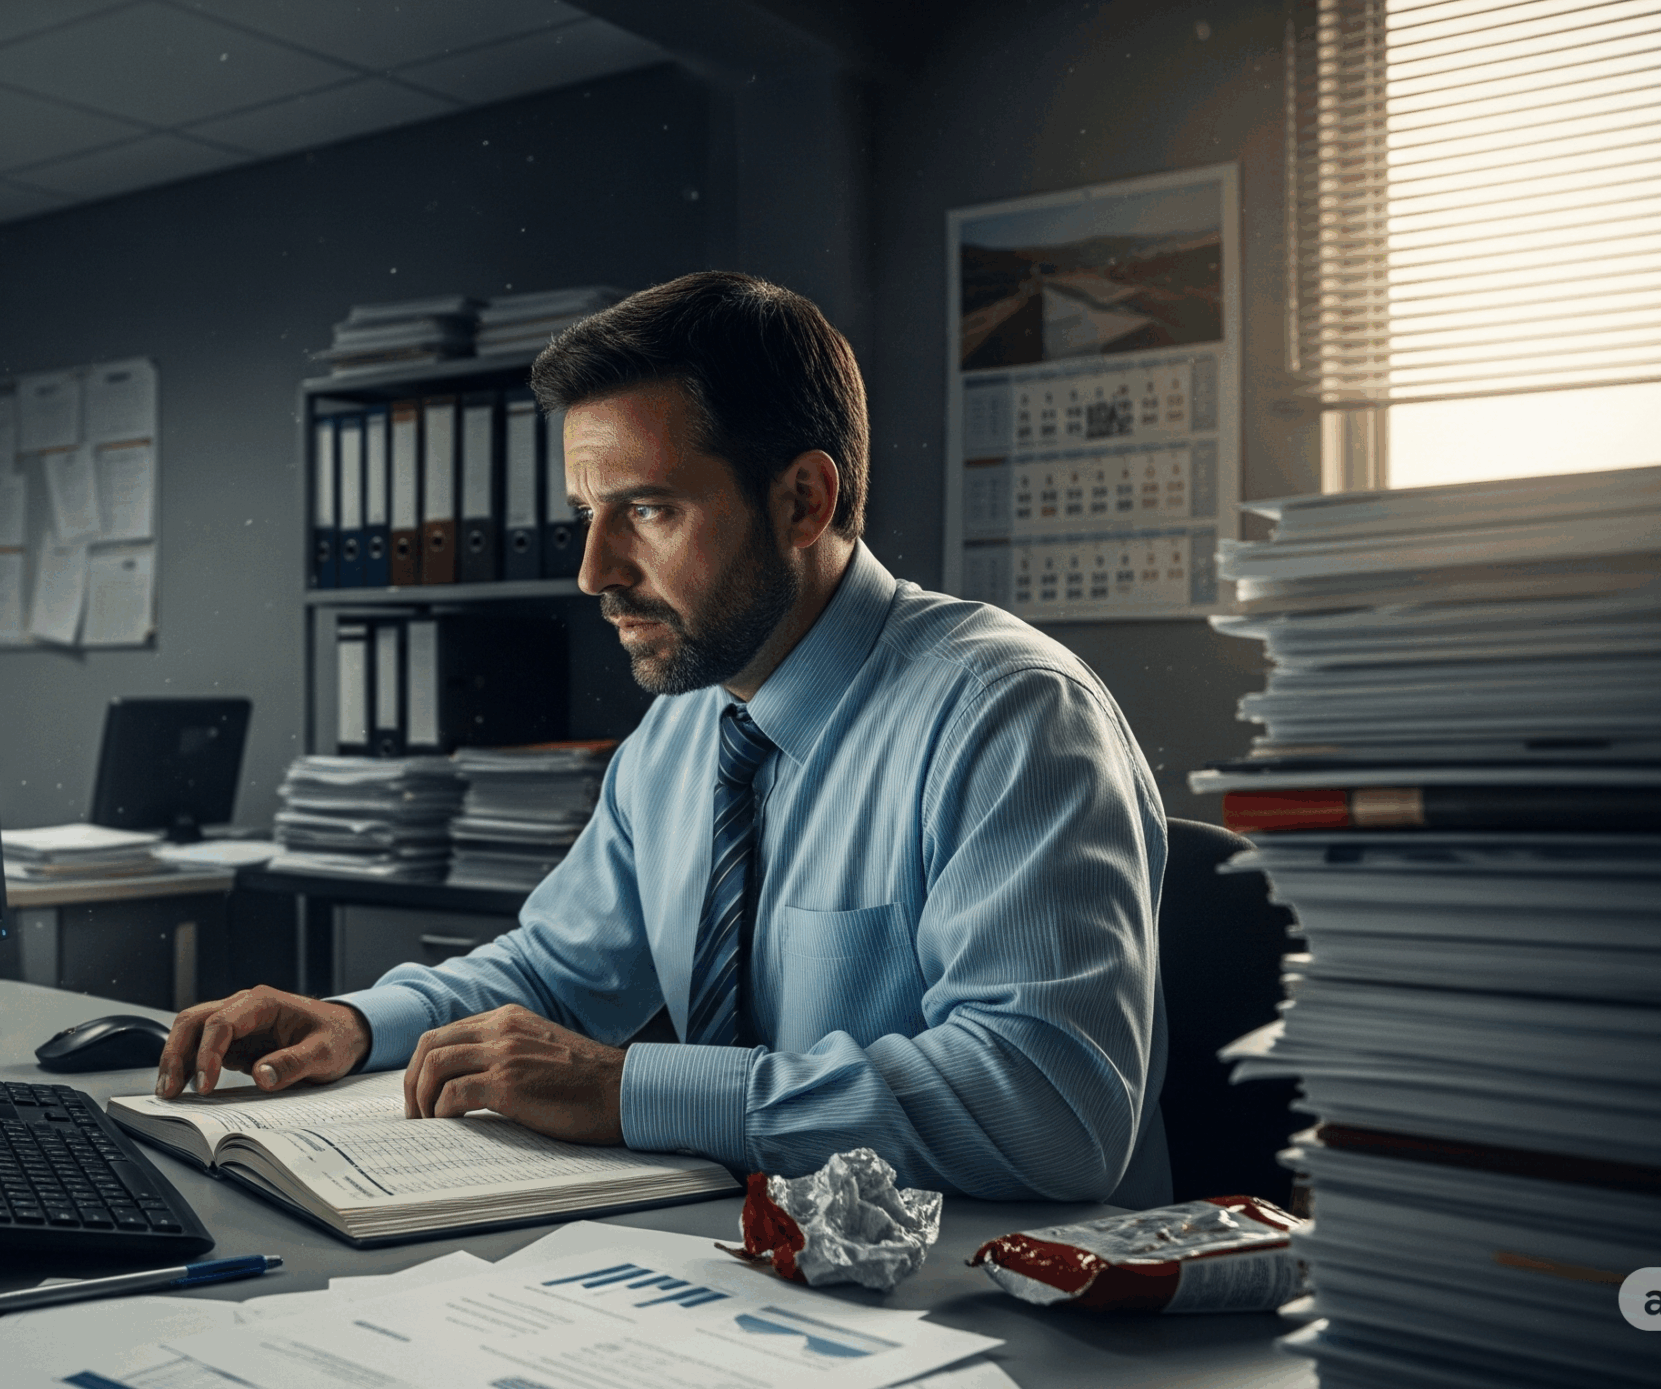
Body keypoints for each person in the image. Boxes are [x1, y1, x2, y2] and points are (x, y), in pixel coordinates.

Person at [160, 272, 1171, 1205]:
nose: (595, 570)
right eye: (588, 514)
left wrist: (635, 1087)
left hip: (996, 1302)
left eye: (646, 508)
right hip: (749, 1275)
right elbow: (559, 973)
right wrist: (362, 1021)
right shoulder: (687, 726)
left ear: (802, 501)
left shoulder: (1011, 715)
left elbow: (1047, 1111)